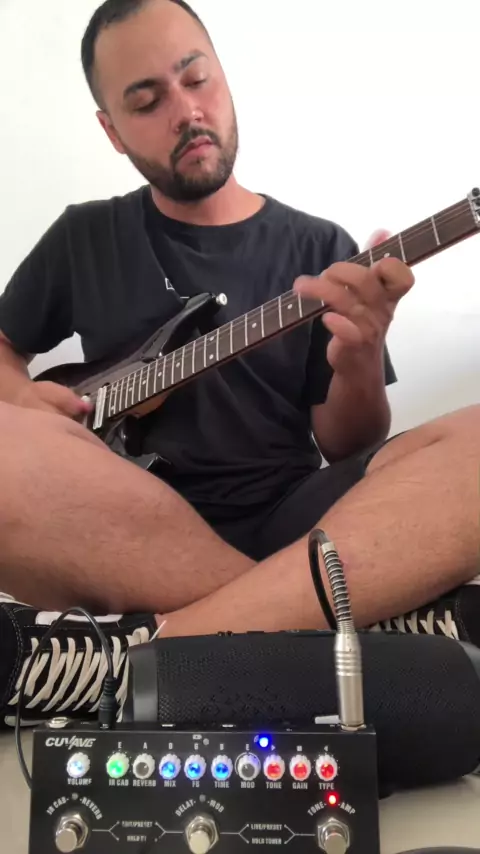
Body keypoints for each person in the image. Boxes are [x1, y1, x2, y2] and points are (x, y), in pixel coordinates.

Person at [0, 0, 478, 727]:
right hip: (123, 530)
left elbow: (348, 446)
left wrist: (360, 353)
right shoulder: (84, 237)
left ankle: (146, 656)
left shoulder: (320, 248)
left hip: (298, 521)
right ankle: (345, 630)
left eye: (196, 79)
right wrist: (23, 401)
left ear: (224, 77)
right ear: (112, 130)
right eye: (147, 101)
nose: (186, 111)